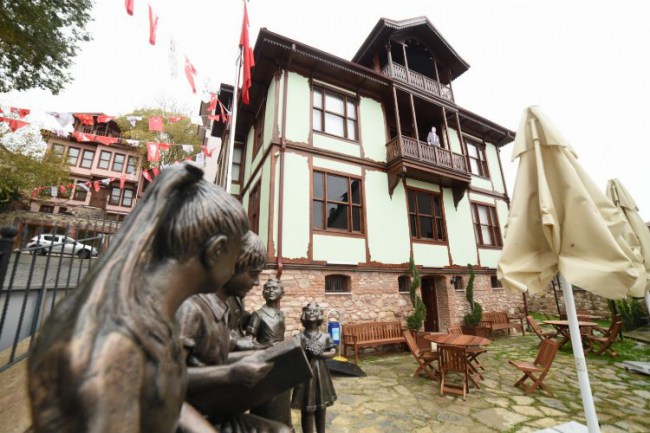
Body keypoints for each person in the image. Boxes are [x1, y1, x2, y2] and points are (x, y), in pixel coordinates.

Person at [28, 163, 248, 433]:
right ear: (217, 251)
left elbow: (165, 405)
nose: (236, 268)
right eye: (236, 256)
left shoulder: (157, 319)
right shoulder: (116, 351)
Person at [177, 231, 291, 433]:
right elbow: (168, 379)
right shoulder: (190, 309)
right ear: (230, 267)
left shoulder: (222, 309)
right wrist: (230, 374)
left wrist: (262, 357)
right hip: (184, 412)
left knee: (281, 429)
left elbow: (216, 358)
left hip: (215, 408)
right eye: (253, 274)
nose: (257, 283)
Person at [247, 278, 293, 430]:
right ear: (263, 293)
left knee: (282, 401)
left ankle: (283, 426)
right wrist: (266, 346)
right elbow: (248, 342)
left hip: (281, 362)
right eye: (267, 288)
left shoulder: (281, 315)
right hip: (266, 363)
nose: (271, 291)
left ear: (282, 293)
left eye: (274, 288)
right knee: (267, 402)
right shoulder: (258, 315)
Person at [291, 302, 337, 433]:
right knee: (307, 409)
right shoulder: (299, 337)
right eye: (309, 310)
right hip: (306, 377)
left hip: (321, 376)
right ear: (304, 314)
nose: (311, 312)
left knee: (322, 408)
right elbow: (294, 357)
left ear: (320, 315)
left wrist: (321, 354)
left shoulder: (325, 336)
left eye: (315, 311)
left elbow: (333, 351)